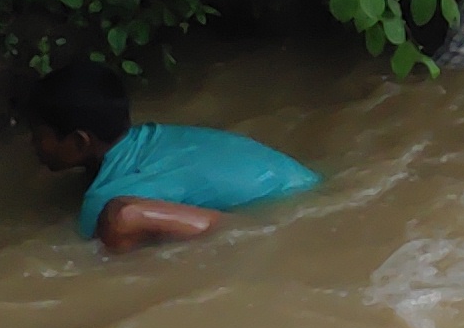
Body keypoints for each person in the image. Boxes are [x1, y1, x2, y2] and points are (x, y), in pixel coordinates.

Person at [24, 61, 321, 253]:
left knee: (122, 217)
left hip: (294, 220)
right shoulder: (150, 138)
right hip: (307, 183)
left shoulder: (102, 201)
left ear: (79, 142)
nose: (33, 144)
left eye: (39, 136)